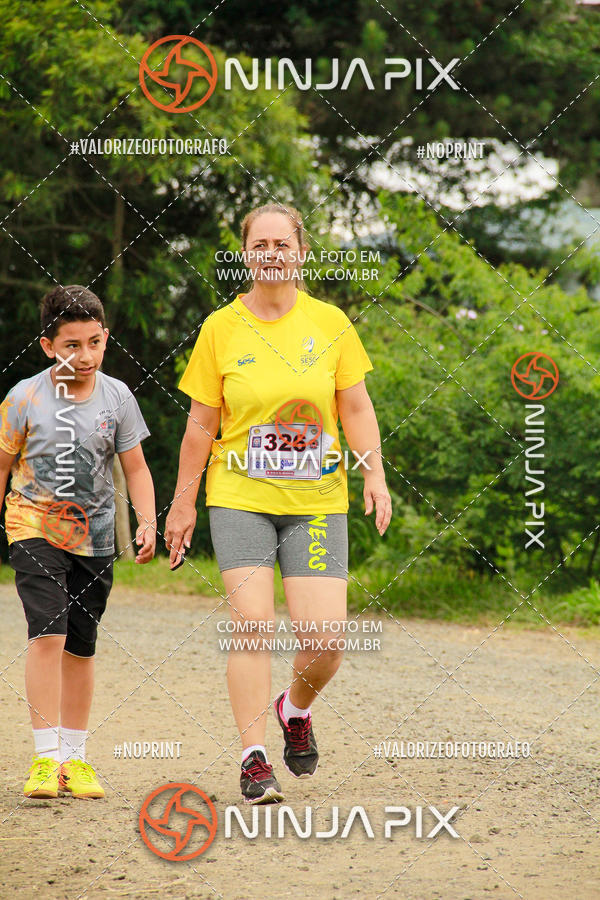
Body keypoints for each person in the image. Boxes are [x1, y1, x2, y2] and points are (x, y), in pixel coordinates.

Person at [165, 203, 391, 804]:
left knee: (326, 639)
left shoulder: (331, 323)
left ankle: (294, 708)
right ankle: (253, 757)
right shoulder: (221, 328)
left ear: (301, 253)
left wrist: (374, 473)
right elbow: (200, 425)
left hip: (316, 501)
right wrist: (183, 503)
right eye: (259, 245)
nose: (270, 254)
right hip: (239, 496)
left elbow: (356, 408)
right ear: (246, 254)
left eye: (281, 244)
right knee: (253, 626)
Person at [0, 285, 156, 800]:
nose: (85, 356)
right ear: (48, 346)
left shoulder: (118, 397)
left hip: (95, 538)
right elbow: (2, 465)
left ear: (105, 338)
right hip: (34, 526)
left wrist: (147, 522)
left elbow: (136, 468)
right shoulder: (23, 397)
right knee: (48, 634)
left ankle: (75, 759)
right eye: (72, 345)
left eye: (94, 342)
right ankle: (45, 759)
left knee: (81, 647)